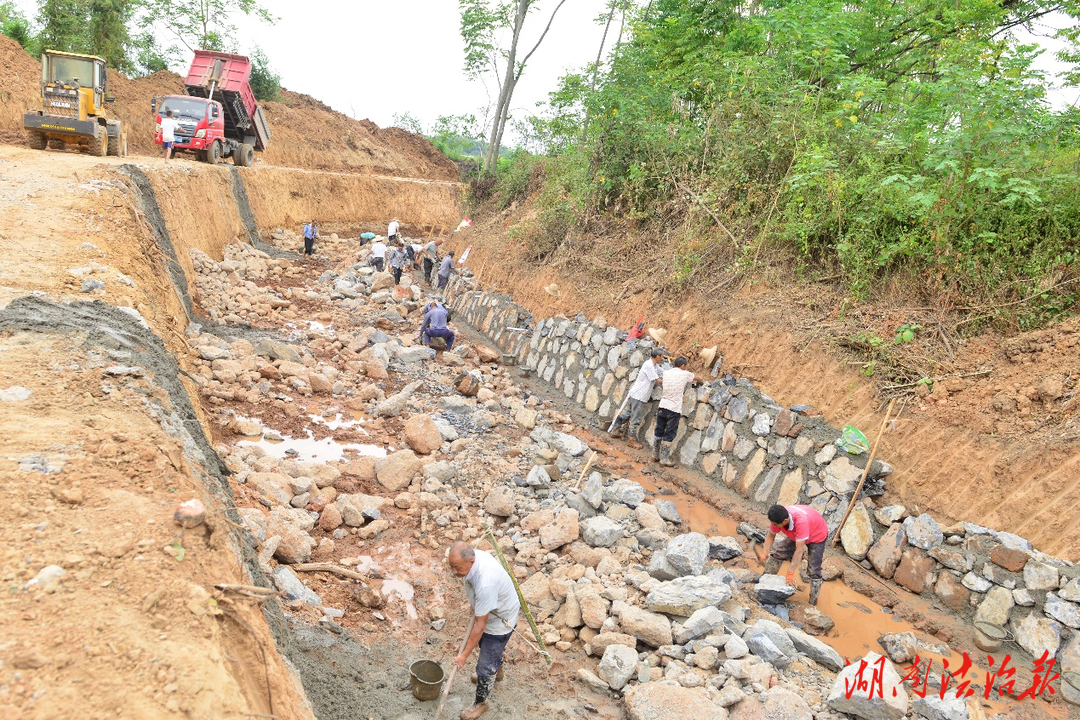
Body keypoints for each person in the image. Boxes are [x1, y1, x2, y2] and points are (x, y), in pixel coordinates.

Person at [448, 542, 520, 720]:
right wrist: (476, 605)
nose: (454, 572)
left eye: (457, 568)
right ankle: (498, 671)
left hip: (501, 621)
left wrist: (463, 656)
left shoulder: (486, 582)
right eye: (452, 567)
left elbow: (480, 626)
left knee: (485, 665)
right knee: (487, 648)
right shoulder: (473, 559)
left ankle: (481, 704)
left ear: (471, 561)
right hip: (490, 609)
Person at [756, 504, 829, 606]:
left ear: (785, 521)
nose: (774, 526)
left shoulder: (800, 522)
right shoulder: (778, 516)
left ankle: (813, 602)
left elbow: (799, 550)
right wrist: (764, 552)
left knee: (814, 570)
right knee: (780, 553)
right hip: (798, 532)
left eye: (776, 525)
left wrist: (790, 573)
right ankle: (764, 581)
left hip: (817, 535)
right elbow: (770, 536)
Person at [609, 348, 664, 449]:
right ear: (657, 357)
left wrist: (672, 375)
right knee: (636, 418)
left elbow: (663, 372)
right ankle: (631, 440)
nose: (662, 358)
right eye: (661, 356)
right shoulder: (648, 365)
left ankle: (614, 430)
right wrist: (667, 382)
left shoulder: (655, 366)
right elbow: (656, 380)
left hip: (638, 394)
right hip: (639, 395)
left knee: (628, 414)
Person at [652, 355, 699, 467]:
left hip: (663, 406)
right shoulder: (685, 374)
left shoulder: (666, 373)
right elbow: (698, 377)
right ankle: (664, 459)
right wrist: (700, 381)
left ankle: (655, 455)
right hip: (674, 409)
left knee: (659, 430)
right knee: (669, 433)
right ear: (683, 366)